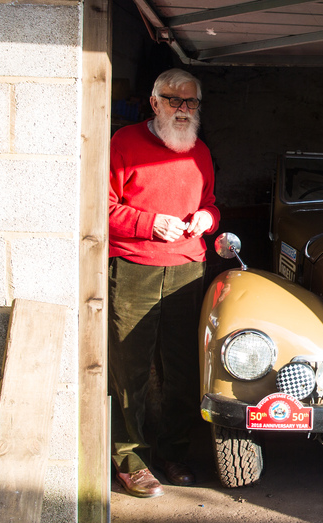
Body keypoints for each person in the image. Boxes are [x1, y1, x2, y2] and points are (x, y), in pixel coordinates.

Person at [108, 68, 220, 498]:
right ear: (154, 103)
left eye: (191, 102)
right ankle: (131, 460)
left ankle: (173, 452)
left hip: (188, 269)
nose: (184, 109)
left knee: (184, 369)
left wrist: (209, 218)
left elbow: (209, 203)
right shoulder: (124, 142)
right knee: (129, 370)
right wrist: (150, 224)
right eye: (175, 100)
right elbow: (102, 207)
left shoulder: (201, 151)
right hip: (135, 266)